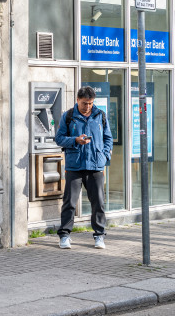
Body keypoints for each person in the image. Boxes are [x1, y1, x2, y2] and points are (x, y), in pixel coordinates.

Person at [55, 85, 113, 250]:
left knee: (98, 203)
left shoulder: (100, 115)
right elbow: (59, 139)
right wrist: (75, 140)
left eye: (90, 103)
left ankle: (99, 236)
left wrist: (105, 156)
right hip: (75, 166)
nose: (87, 106)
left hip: (95, 165)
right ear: (77, 100)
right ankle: (65, 235)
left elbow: (108, 138)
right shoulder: (68, 116)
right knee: (70, 202)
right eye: (84, 103)